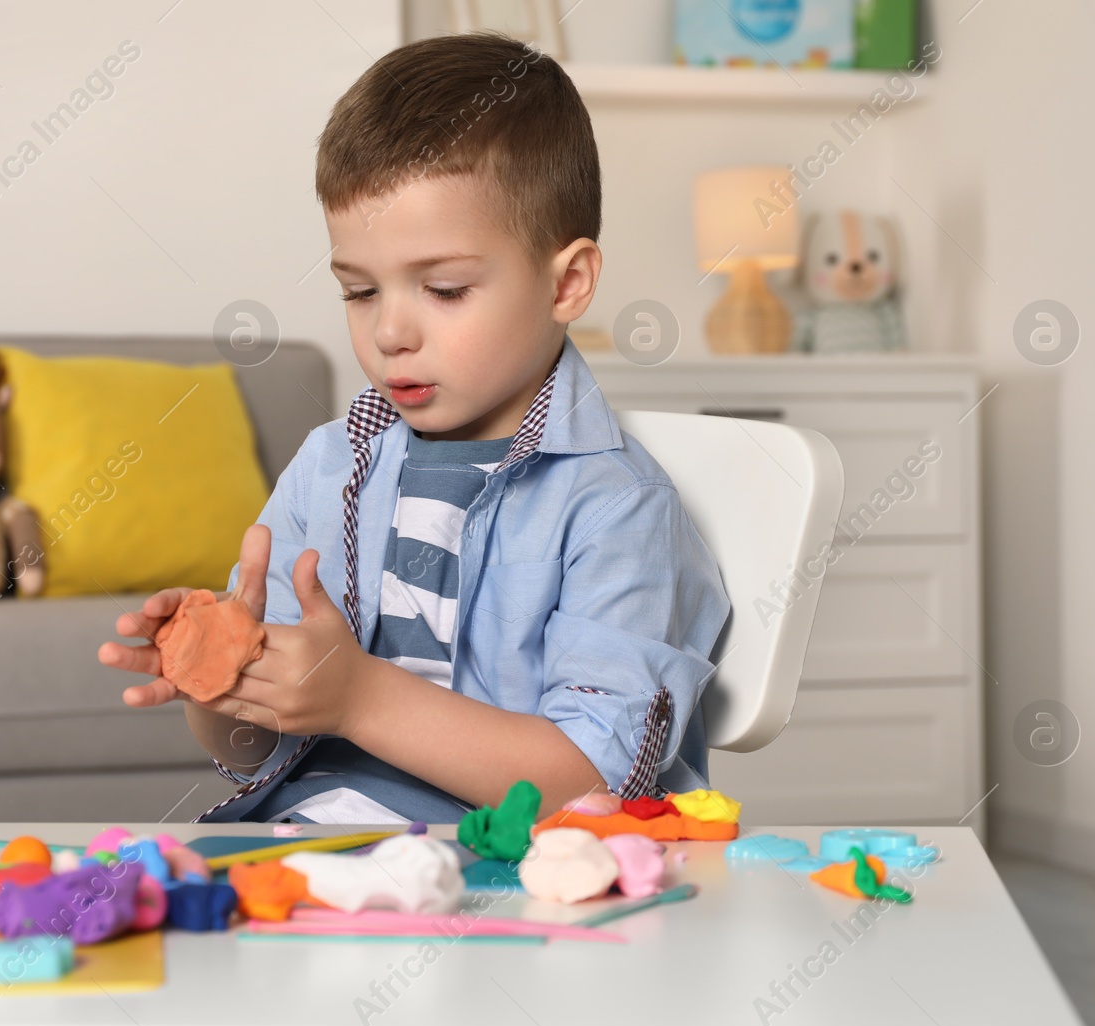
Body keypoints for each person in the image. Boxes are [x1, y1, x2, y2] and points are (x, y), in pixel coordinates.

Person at [98, 32, 729, 825]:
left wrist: (360, 698)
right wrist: (222, 677)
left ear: (567, 282)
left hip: (506, 878)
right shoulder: (329, 467)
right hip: (305, 848)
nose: (391, 331)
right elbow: (255, 754)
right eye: (360, 292)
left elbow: (597, 784)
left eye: (444, 287)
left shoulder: (616, 506)